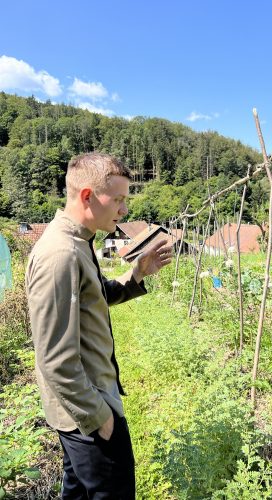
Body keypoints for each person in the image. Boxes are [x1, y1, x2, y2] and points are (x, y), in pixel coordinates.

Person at [26, 152, 172, 499]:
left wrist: (137, 274)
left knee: (76, 493)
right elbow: (55, 358)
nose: (124, 211)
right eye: (118, 199)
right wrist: (100, 418)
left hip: (80, 409)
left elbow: (97, 295)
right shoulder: (61, 254)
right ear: (88, 196)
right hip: (86, 411)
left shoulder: (79, 242)